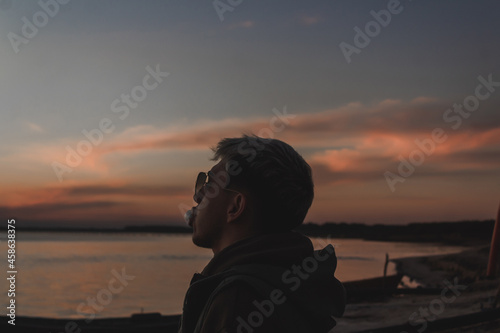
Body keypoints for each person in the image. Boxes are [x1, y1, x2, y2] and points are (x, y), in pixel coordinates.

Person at [178, 135, 345, 333]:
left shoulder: (237, 301)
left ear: (235, 206)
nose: (197, 196)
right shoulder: (288, 282)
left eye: (209, 185)